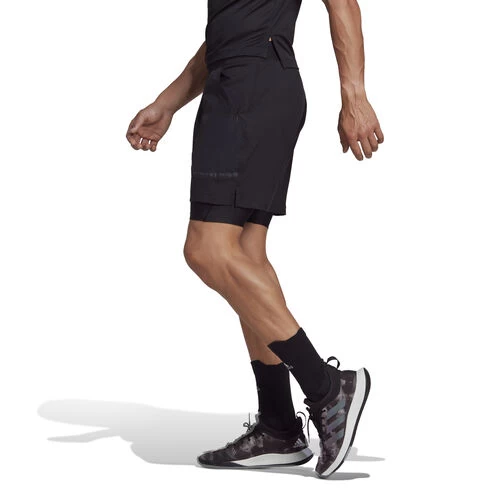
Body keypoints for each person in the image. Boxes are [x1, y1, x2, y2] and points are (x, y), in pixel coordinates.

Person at [126, 0, 383, 478]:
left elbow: (342, 2)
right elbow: (228, 32)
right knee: (243, 255)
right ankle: (279, 425)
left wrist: (355, 95)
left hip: (250, 90)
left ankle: (329, 389)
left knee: (206, 250)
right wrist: (168, 102)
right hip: (242, 86)